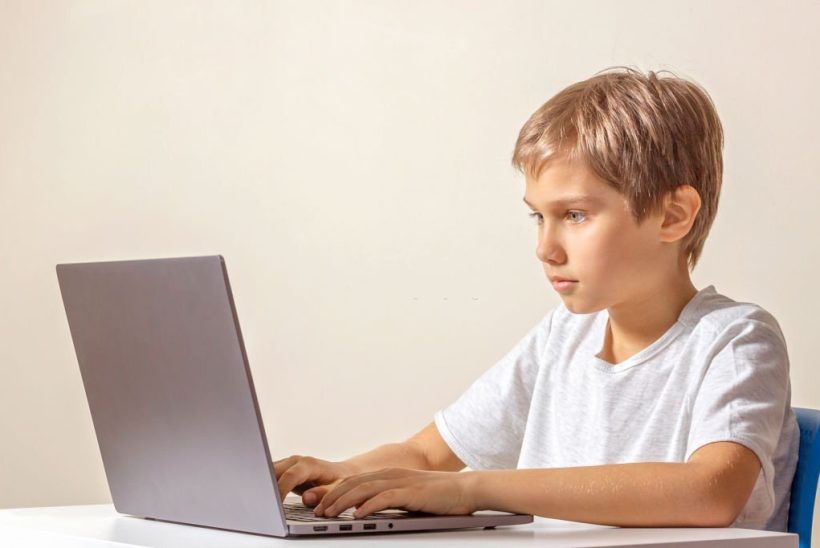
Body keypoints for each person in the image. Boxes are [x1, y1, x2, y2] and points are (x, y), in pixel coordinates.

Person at [274, 66, 799, 531]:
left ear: (672, 215)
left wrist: (473, 489)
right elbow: (425, 454)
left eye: (574, 215)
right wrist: (345, 473)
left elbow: (710, 493)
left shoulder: (734, 340)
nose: (545, 249)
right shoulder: (564, 336)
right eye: (538, 216)